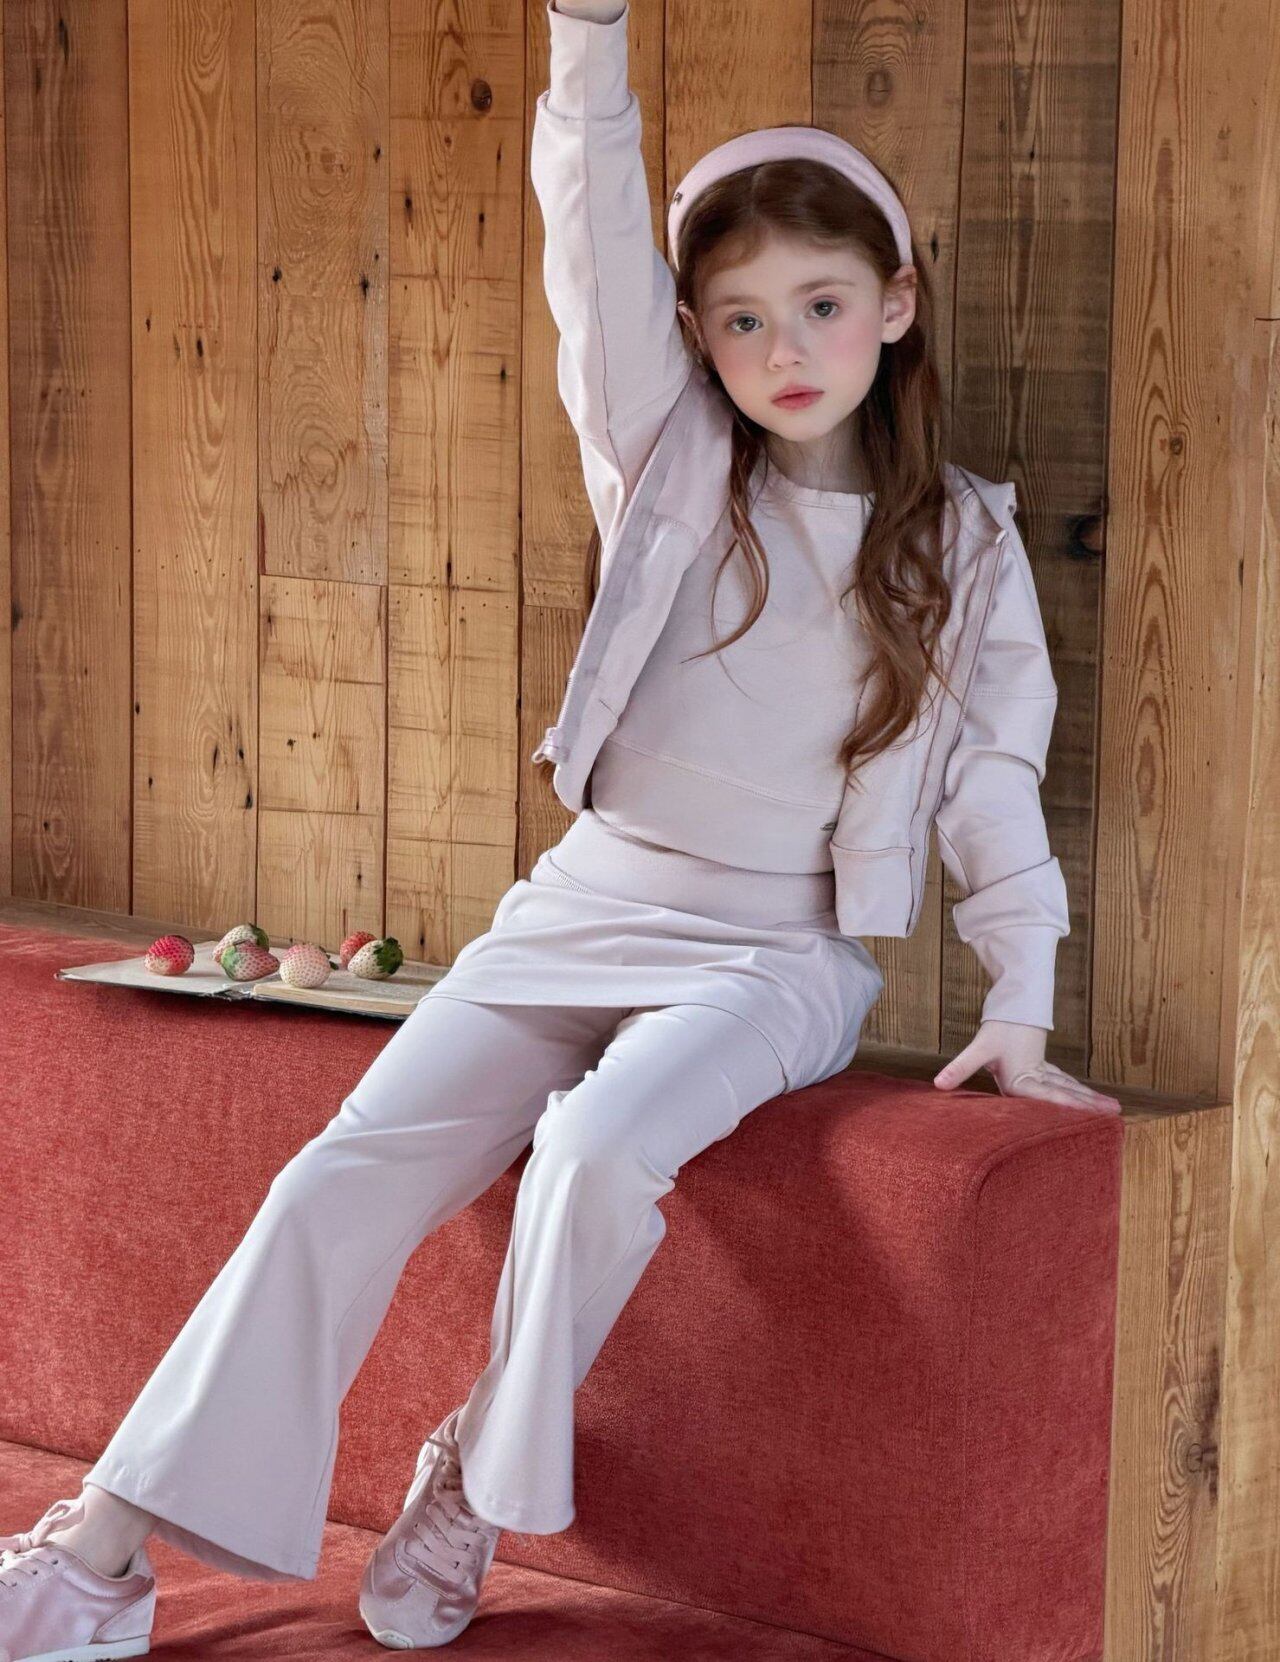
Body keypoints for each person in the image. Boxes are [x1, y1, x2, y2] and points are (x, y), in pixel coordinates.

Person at [0, 0, 1121, 1655]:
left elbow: (990, 777)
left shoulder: (960, 544)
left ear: (895, 304)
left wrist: (1020, 998)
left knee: (594, 1152)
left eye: (821, 304)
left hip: (778, 954)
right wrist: (585, 36)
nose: (786, 346)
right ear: (694, 336)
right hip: (583, 905)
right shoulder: (668, 463)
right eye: (741, 318)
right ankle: (99, 1555)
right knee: (333, 1181)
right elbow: (589, 239)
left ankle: (473, 1477)